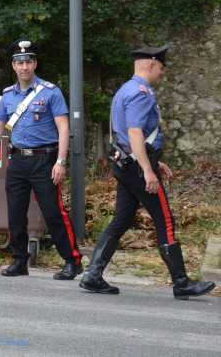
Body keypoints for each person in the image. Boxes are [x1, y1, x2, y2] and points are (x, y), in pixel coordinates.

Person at [80, 45, 215, 299]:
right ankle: (181, 282)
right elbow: (134, 132)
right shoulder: (142, 93)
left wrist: (155, 161)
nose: (162, 73)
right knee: (165, 220)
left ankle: (93, 275)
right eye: (161, 68)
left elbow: (127, 135)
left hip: (127, 165)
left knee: (121, 220)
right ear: (151, 64)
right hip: (138, 170)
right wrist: (148, 170)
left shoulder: (125, 90)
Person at [0, 38, 83, 280]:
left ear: (35, 64)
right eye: (19, 62)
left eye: (28, 62)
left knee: (53, 213)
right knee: (15, 214)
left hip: (44, 162)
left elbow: (63, 128)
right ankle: (19, 261)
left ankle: (72, 261)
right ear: (13, 66)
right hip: (17, 161)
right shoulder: (7, 96)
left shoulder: (50, 92)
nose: (24, 67)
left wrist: (61, 161)